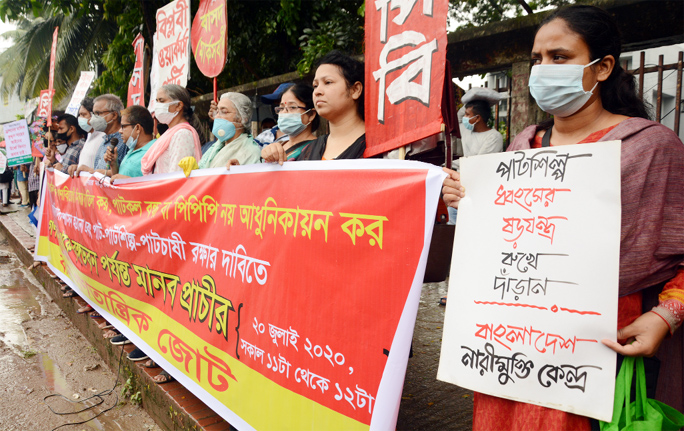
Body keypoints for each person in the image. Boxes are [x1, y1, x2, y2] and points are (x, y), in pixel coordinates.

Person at [442, 5, 684, 430]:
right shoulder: (522, 145)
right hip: (511, 350)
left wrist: (665, 316)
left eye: (560, 57)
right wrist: (470, 202)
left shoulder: (651, 148)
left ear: (603, 67)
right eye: (537, 59)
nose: (543, 69)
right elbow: (506, 241)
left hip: (599, 355)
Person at [262, 50, 365, 163]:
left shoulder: (378, 149)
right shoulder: (310, 150)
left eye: (328, 82)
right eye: (315, 85)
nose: (317, 92)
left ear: (355, 90)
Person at [140, 84, 202, 175]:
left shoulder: (182, 134)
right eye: (157, 101)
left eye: (162, 101)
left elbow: (176, 175)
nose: (157, 106)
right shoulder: (170, 133)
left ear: (178, 106)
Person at [199, 92, 261, 168]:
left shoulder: (250, 152)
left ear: (243, 119)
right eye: (217, 111)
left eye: (224, 112)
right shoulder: (216, 146)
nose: (217, 117)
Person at [260, 83, 319, 161]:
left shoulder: (318, 148)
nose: (284, 112)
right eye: (281, 108)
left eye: (292, 107)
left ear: (311, 114)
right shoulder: (279, 145)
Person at [103, 106, 157, 180]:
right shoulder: (132, 149)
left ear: (137, 128)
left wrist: (129, 180)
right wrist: (114, 164)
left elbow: (155, 185)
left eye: (123, 126)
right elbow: (118, 182)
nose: (120, 131)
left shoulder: (154, 151)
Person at [71, 97, 105, 176]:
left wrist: (89, 170)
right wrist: (77, 167)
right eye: (79, 115)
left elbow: (104, 169)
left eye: (83, 114)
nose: (80, 118)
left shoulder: (103, 136)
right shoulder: (89, 134)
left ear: (94, 115)